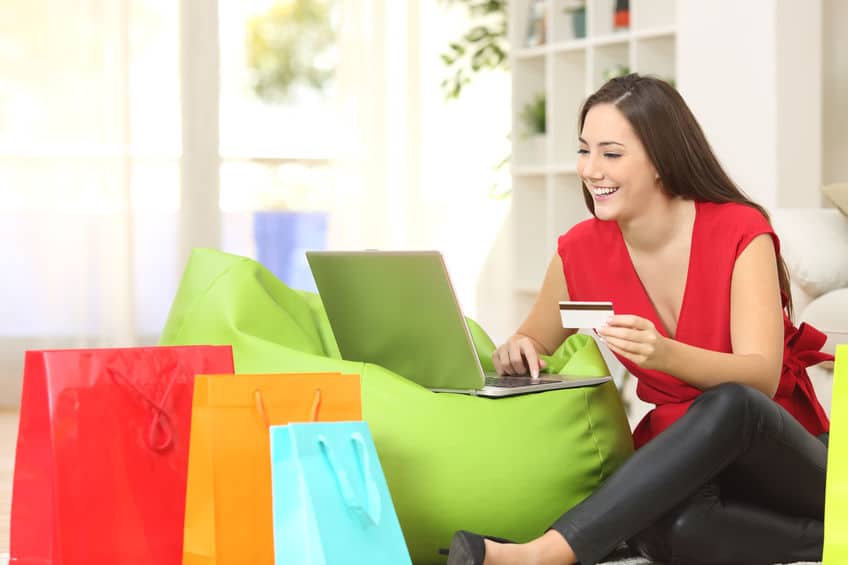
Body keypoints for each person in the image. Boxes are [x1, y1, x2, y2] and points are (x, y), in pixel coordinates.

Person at [446, 73, 833, 565]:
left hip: (782, 456)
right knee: (675, 534)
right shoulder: (580, 251)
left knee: (731, 401)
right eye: (584, 150)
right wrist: (519, 348)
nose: (591, 169)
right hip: (688, 461)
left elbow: (760, 377)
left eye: (611, 154)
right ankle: (833, 539)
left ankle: (545, 553)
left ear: (661, 161)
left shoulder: (740, 229)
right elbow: (533, 338)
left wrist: (665, 355)